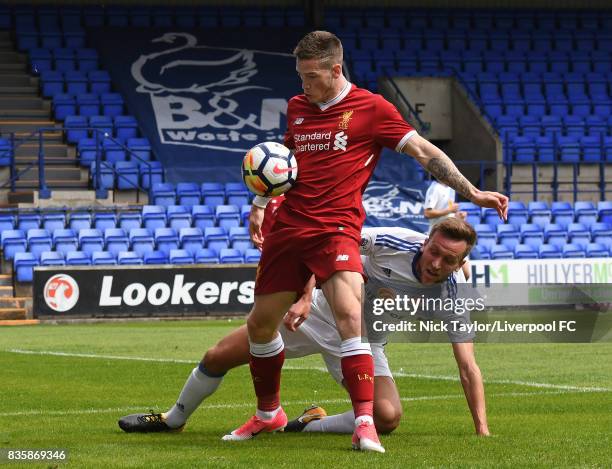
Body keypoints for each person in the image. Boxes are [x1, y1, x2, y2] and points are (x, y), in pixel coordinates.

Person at [237, 30, 506, 452]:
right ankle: (248, 413)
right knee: (243, 339)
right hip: (309, 274)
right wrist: (260, 202)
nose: (303, 85)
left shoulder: (371, 109)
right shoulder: (297, 109)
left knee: (387, 410)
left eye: (310, 76)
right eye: (300, 76)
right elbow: (289, 171)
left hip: (356, 302)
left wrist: (471, 192)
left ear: (335, 69)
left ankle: (337, 424)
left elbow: (424, 152)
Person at [118, 218, 490, 438]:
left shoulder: (451, 292)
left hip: (362, 344)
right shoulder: (390, 241)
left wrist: (482, 432)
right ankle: (173, 419)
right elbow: (331, 246)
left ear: (461, 264)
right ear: (425, 242)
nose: (437, 263)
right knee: (217, 357)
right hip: (315, 315)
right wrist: (304, 293)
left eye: (449, 260)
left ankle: (310, 424)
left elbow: (467, 366)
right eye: (434, 252)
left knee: (388, 417)